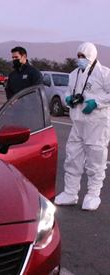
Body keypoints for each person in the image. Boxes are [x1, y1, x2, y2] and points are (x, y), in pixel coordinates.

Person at [55, 42, 110, 211]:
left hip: (97, 124)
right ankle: (70, 193)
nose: (80, 60)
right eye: (78, 56)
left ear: (92, 57)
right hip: (78, 122)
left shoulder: (104, 74)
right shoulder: (73, 75)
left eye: (83, 57)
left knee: (95, 160)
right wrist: (68, 100)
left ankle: (93, 194)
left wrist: (97, 103)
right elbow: (67, 92)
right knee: (72, 158)